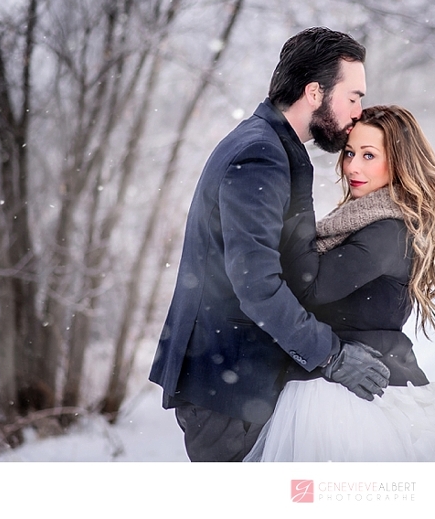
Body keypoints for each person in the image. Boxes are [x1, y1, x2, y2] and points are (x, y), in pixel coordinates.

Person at [148, 27, 391, 462]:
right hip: (226, 384)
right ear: (315, 92)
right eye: (353, 96)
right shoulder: (260, 155)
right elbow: (256, 284)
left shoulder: (269, 144)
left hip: (232, 379)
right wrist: (332, 357)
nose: (359, 110)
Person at [244, 105, 435, 461]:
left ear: (399, 162)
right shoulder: (357, 221)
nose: (353, 167)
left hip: (351, 398)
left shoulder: (387, 231)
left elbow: (309, 288)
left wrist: (298, 199)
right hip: (343, 386)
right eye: (350, 153)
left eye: (369, 155)